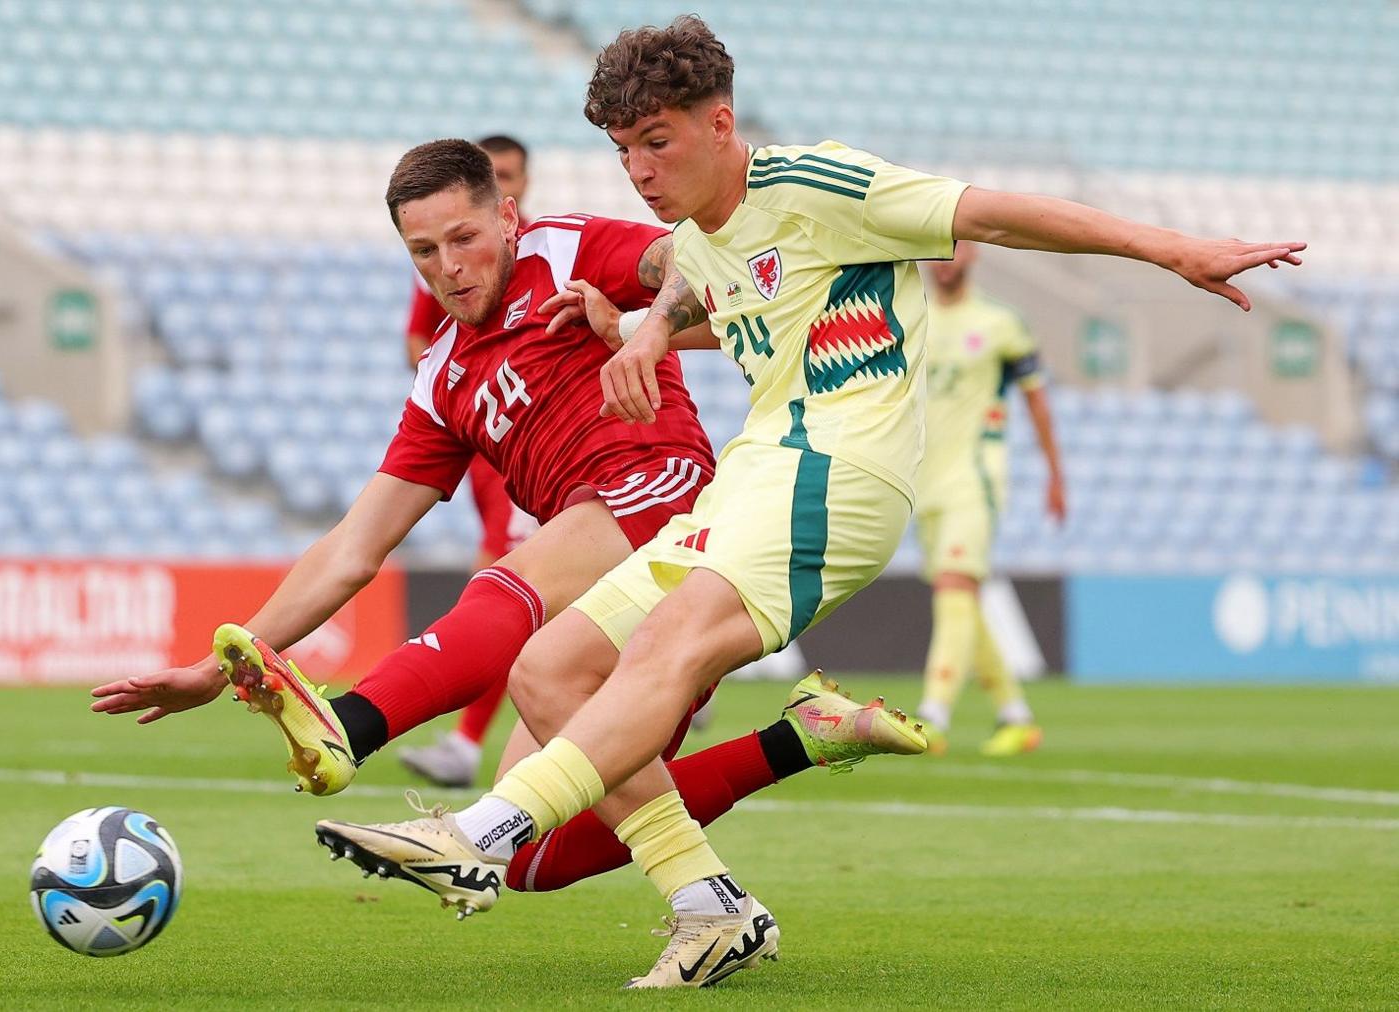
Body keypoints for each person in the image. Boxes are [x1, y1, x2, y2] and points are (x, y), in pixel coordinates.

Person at [316, 15, 1304, 989]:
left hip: (840, 469)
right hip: (758, 472)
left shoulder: (817, 181)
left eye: (658, 142)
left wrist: (1173, 249)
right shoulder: (699, 238)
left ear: (719, 123)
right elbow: (717, 293)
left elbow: (994, 212)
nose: (642, 171)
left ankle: (474, 835)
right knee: (549, 667)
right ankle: (711, 909)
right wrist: (647, 330)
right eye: (624, 152)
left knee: (668, 647)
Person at [92, 143, 891, 894]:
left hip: (669, 501)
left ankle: (348, 728)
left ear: (507, 217)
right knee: (535, 853)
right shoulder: (442, 378)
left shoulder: (565, 251)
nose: (449, 267)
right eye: (424, 252)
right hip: (601, 601)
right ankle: (800, 739)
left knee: (507, 583)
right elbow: (353, 548)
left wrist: (643, 328)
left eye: (463, 238)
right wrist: (213, 666)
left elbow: (688, 257)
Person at [398, 135, 540, 789]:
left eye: (511, 176)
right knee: (520, 587)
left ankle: (465, 743)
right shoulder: (454, 265)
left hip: (542, 453)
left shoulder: (548, 254)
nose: (444, 261)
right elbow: (419, 339)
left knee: (506, 586)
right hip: (490, 454)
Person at [910, 243, 1064, 756]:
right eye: (936, 252)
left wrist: (1055, 474)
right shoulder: (910, 320)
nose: (944, 261)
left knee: (953, 589)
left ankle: (932, 716)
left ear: (973, 254)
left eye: (953, 251)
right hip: (921, 483)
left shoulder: (1000, 323)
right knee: (962, 602)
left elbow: (1037, 401)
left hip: (974, 479)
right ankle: (1015, 716)